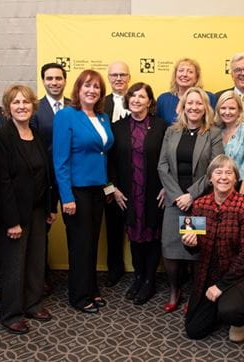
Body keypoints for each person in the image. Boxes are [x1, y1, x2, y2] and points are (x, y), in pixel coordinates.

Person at [0, 85, 57, 334]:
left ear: (33, 106)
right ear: (9, 108)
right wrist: (12, 221)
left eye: (26, 102)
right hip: (14, 214)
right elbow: (3, 182)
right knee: (13, 264)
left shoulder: (37, 134)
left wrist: (51, 207)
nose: (22, 106)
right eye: (16, 102)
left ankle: (32, 303)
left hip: (39, 210)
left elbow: (47, 175)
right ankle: (10, 313)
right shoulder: (1, 137)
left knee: (35, 260)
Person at [157, 87, 224, 312]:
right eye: (189, 103)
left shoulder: (213, 133)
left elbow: (214, 169)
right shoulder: (172, 132)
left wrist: (191, 196)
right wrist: (177, 197)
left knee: (195, 250)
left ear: (205, 107)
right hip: (175, 201)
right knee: (171, 248)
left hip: (198, 202)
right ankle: (175, 291)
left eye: (199, 103)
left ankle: (196, 292)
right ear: (183, 107)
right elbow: (162, 165)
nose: (194, 107)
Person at [53, 69, 114, 314]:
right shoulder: (67, 115)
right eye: (87, 86)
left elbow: (103, 155)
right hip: (76, 191)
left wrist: (108, 187)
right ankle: (79, 296)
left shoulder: (102, 117)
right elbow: (60, 160)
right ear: (78, 89)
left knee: (91, 243)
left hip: (97, 190)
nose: (92, 90)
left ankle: (91, 289)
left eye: (97, 87)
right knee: (80, 244)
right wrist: (66, 196)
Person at [182, 155, 244, 343]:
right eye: (218, 172)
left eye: (229, 173)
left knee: (232, 311)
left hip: (241, 276)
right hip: (208, 275)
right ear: (210, 178)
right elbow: (192, 247)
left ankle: (239, 320)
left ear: (236, 178)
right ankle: (220, 306)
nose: (223, 177)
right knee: (194, 330)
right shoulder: (199, 205)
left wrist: (221, 286)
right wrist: (190, 244)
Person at [108, 82, 166, 305]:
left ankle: (150, 280)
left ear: (149, 101)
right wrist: (113, 187)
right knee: (134, 234)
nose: (136, 100)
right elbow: (110, 161)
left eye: (142, 97)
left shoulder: (161, 126)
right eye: (133, 96)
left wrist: (165, 187)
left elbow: (167, 159)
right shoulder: (118, 127)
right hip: (128, 192)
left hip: (154, 191)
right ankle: (138, 277)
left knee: (152, 235)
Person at [32, 62, 70, 295]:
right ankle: (41, 276)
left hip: (68, 179)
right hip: (43, 179)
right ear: (43, 81)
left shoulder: (75, 108)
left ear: (65, 80)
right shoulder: (34, 108)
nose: (54, 82)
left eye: (58, 78)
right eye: (49, 78)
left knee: (74, 228)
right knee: (40, 231)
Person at [103, 60, 132, 288]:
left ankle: (142, 270)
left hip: (136, 175)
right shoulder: (99, 104)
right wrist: (110, 185)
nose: (119, 78)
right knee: (112, 227)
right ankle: (114, 268)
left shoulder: (139, 101)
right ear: (109, 78)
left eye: (123, 74)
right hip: (107, 176)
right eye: (114, 75)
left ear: (129, 77)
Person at [214, 91, 244, 197]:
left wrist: (241, 196)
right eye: (223, 108)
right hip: (218, 190)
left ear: (239, 110)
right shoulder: (216, 131)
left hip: (240, 190)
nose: (227, 112)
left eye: (232, 108)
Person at [156, 58, 216, 125]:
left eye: (190, 72)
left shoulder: (209, 97)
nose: (184, 75)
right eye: (181, 70)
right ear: (175, 75)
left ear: (196, 77)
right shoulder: (163, 99)